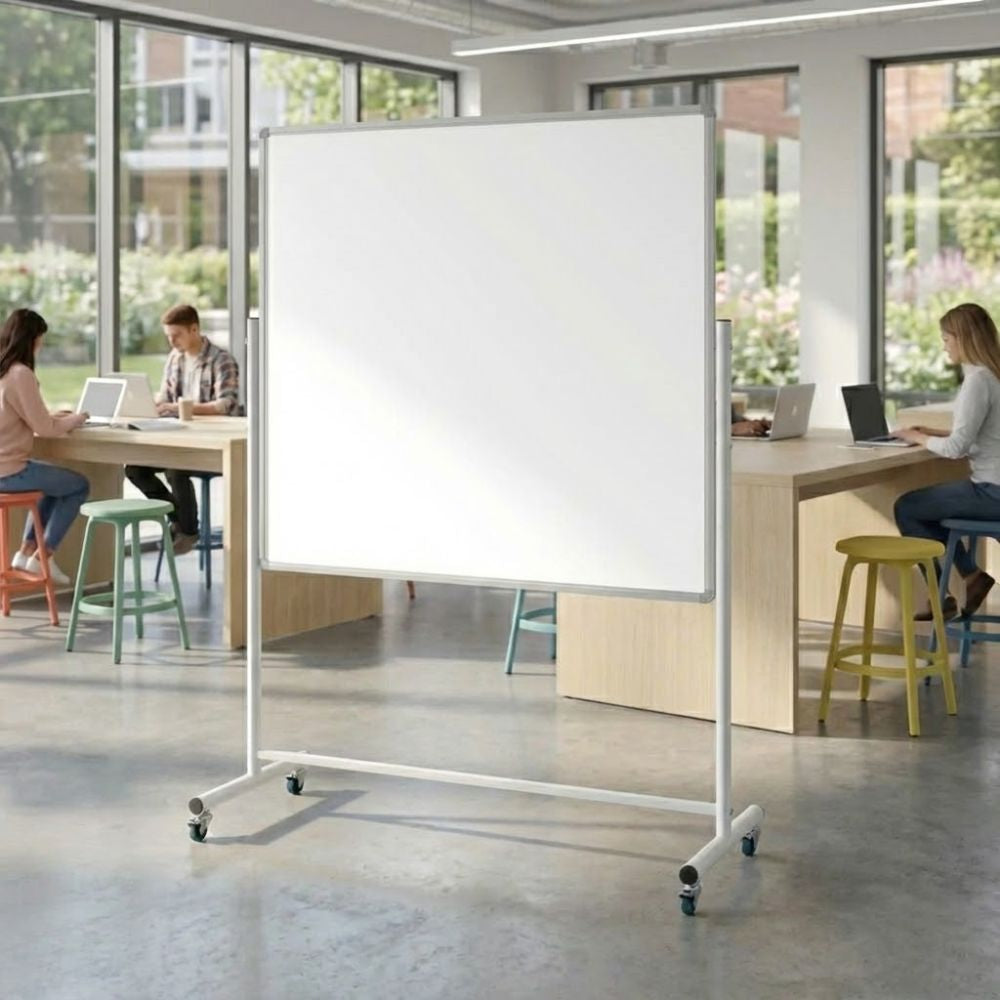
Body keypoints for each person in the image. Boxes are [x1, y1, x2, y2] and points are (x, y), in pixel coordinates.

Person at [894, 302, 1000, 620]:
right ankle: (970, 576)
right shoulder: (993, 375)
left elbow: (956, 448)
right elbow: (981, 435)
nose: (945, 347)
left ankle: (943, 594)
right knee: (927, 508)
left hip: (991, 493)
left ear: (963, 338)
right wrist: (930, 431)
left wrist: (918, 438)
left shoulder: (977, 382)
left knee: (908, 507)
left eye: (946, 338)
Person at [125, 304, 239, 555]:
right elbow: (164, 395)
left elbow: (225, 405)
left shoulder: (222, 360)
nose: (172, 341)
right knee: (134, 469)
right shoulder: (174, 359)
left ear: (194, 329)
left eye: (176, 335)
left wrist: (180, 408)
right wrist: (152, 405)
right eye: (168, 336)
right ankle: (177, 519)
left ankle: (187, 531)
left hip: (212, 445)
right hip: (178, 439)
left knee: (175, 467)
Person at [0, 309, 89, 585]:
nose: (41, 344)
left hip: (5, 468)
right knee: (78, 485)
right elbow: (44, 429)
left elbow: (30, 418)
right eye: (41, 338)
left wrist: (57, 417)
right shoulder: (20, 374)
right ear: (32, 338)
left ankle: (26, 552)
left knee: (52, 484)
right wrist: (77, 418)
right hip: (9, 471)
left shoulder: (4, 371)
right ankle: (43, 556)